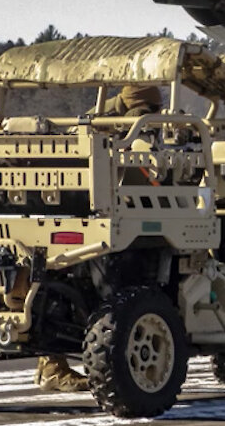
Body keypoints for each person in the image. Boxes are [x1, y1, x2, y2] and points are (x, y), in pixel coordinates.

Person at [34, 84, 164, 392]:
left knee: (55, 282)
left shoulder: (93, 118)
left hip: (69, 214)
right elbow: (149, 171)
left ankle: (51, 363)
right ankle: (113, 370)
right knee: (116, 294)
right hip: (113, 219)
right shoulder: (138, 123)